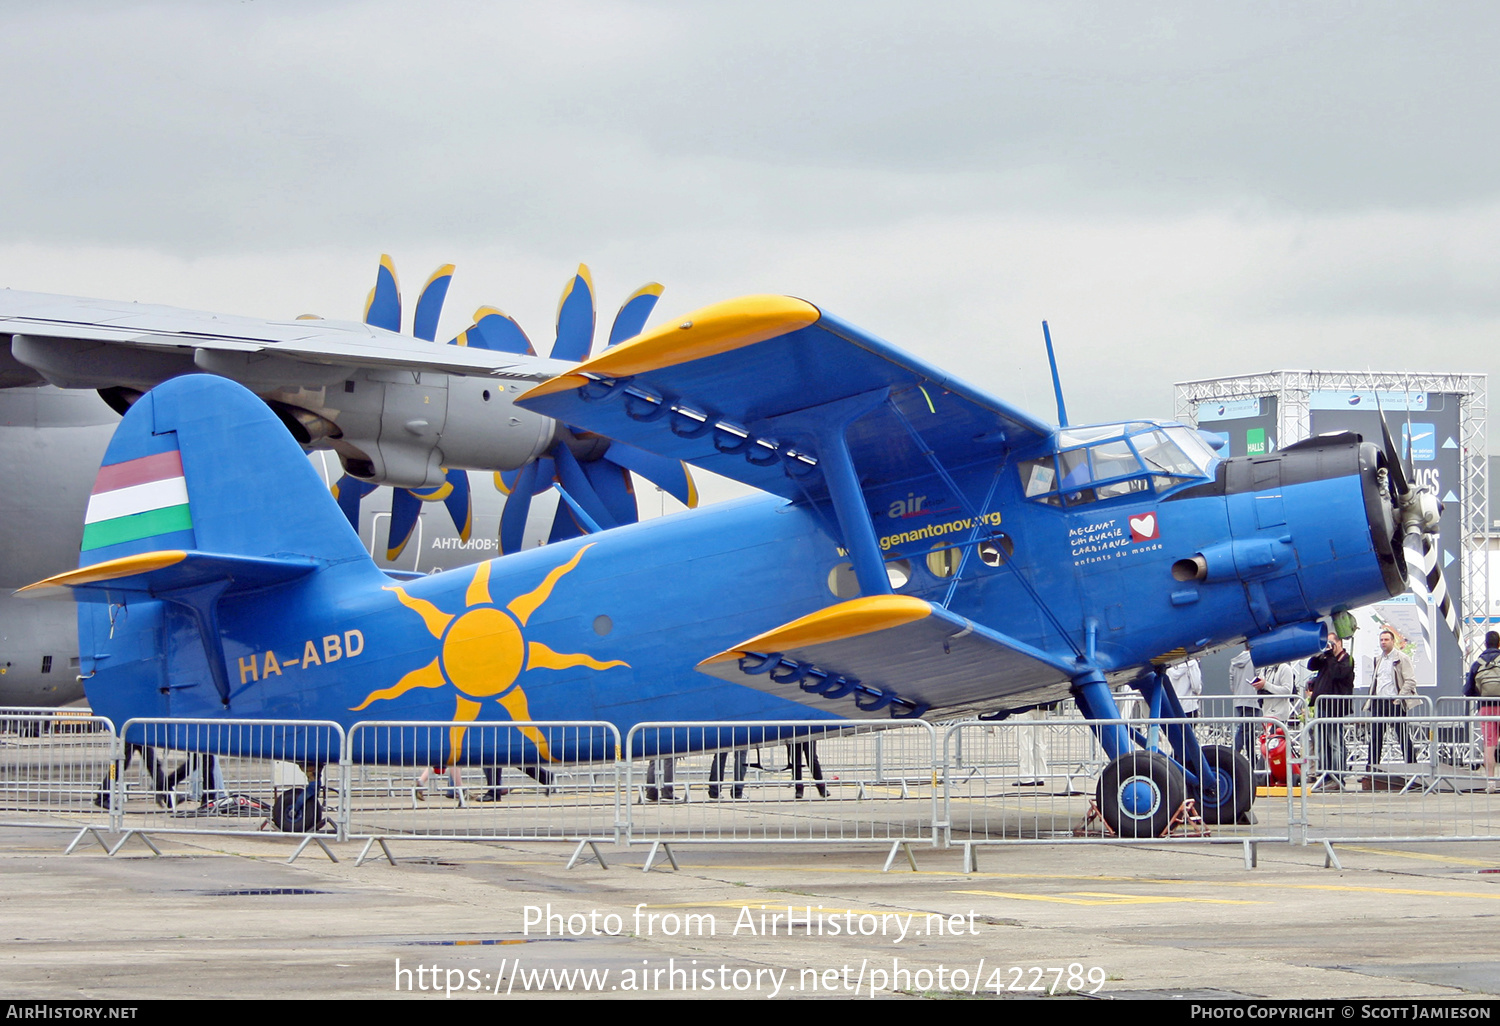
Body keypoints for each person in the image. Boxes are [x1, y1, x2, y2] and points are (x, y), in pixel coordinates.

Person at [1306, 633, 1355, 789]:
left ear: (1339, 643)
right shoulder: (1326, 659)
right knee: (1322, 743)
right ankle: (1326, 775)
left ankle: (1338, 776)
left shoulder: (1346, 659)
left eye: (1331, 643)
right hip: (1322, 706)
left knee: (1335, 743)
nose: (1328, 646)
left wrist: (1331, 655)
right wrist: (1320, 652)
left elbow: (1337, 674)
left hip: (1335, 708)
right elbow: (1311, 665)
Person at [1367, 627, 1417, 768]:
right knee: (1376, 737)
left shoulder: (1401, 658)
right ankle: (1371, 768)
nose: (1383, 642)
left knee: (1402, 735)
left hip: (1394, 701)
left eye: (1386, 639)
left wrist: (1399, 698)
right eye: (1381, 640)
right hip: (1379, 701)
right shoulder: (1378, 659)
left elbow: (1411, 680)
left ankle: (1412, 767)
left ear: (1393, 641)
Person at [1464, 630, 1500, 792]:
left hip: (1486, 707)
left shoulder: (1478, 663)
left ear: (1485, 644)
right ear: (1499, 643)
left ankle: (1491, 783)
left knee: (1489, 745)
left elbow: (1467, 690)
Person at [1229, 650, 1259, 764]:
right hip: (1252, 700)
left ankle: (1253, 761)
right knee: (1245, 731)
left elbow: (1231, 684)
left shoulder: (1235, 661)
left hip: (1239, 700)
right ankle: (1233, 756)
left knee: (1248, 732)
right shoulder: (1255, 660)